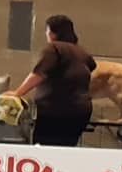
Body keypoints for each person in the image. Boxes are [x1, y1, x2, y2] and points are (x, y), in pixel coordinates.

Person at [6, 14, 96, 147]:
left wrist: (17, 93)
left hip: (55, 110)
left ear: (53, 33)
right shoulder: (82, 52)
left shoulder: (53, 48)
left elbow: (39, 73)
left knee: (46, 148)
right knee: (66, 148)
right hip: (81, 111)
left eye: (47, 30)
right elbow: (92, 66)